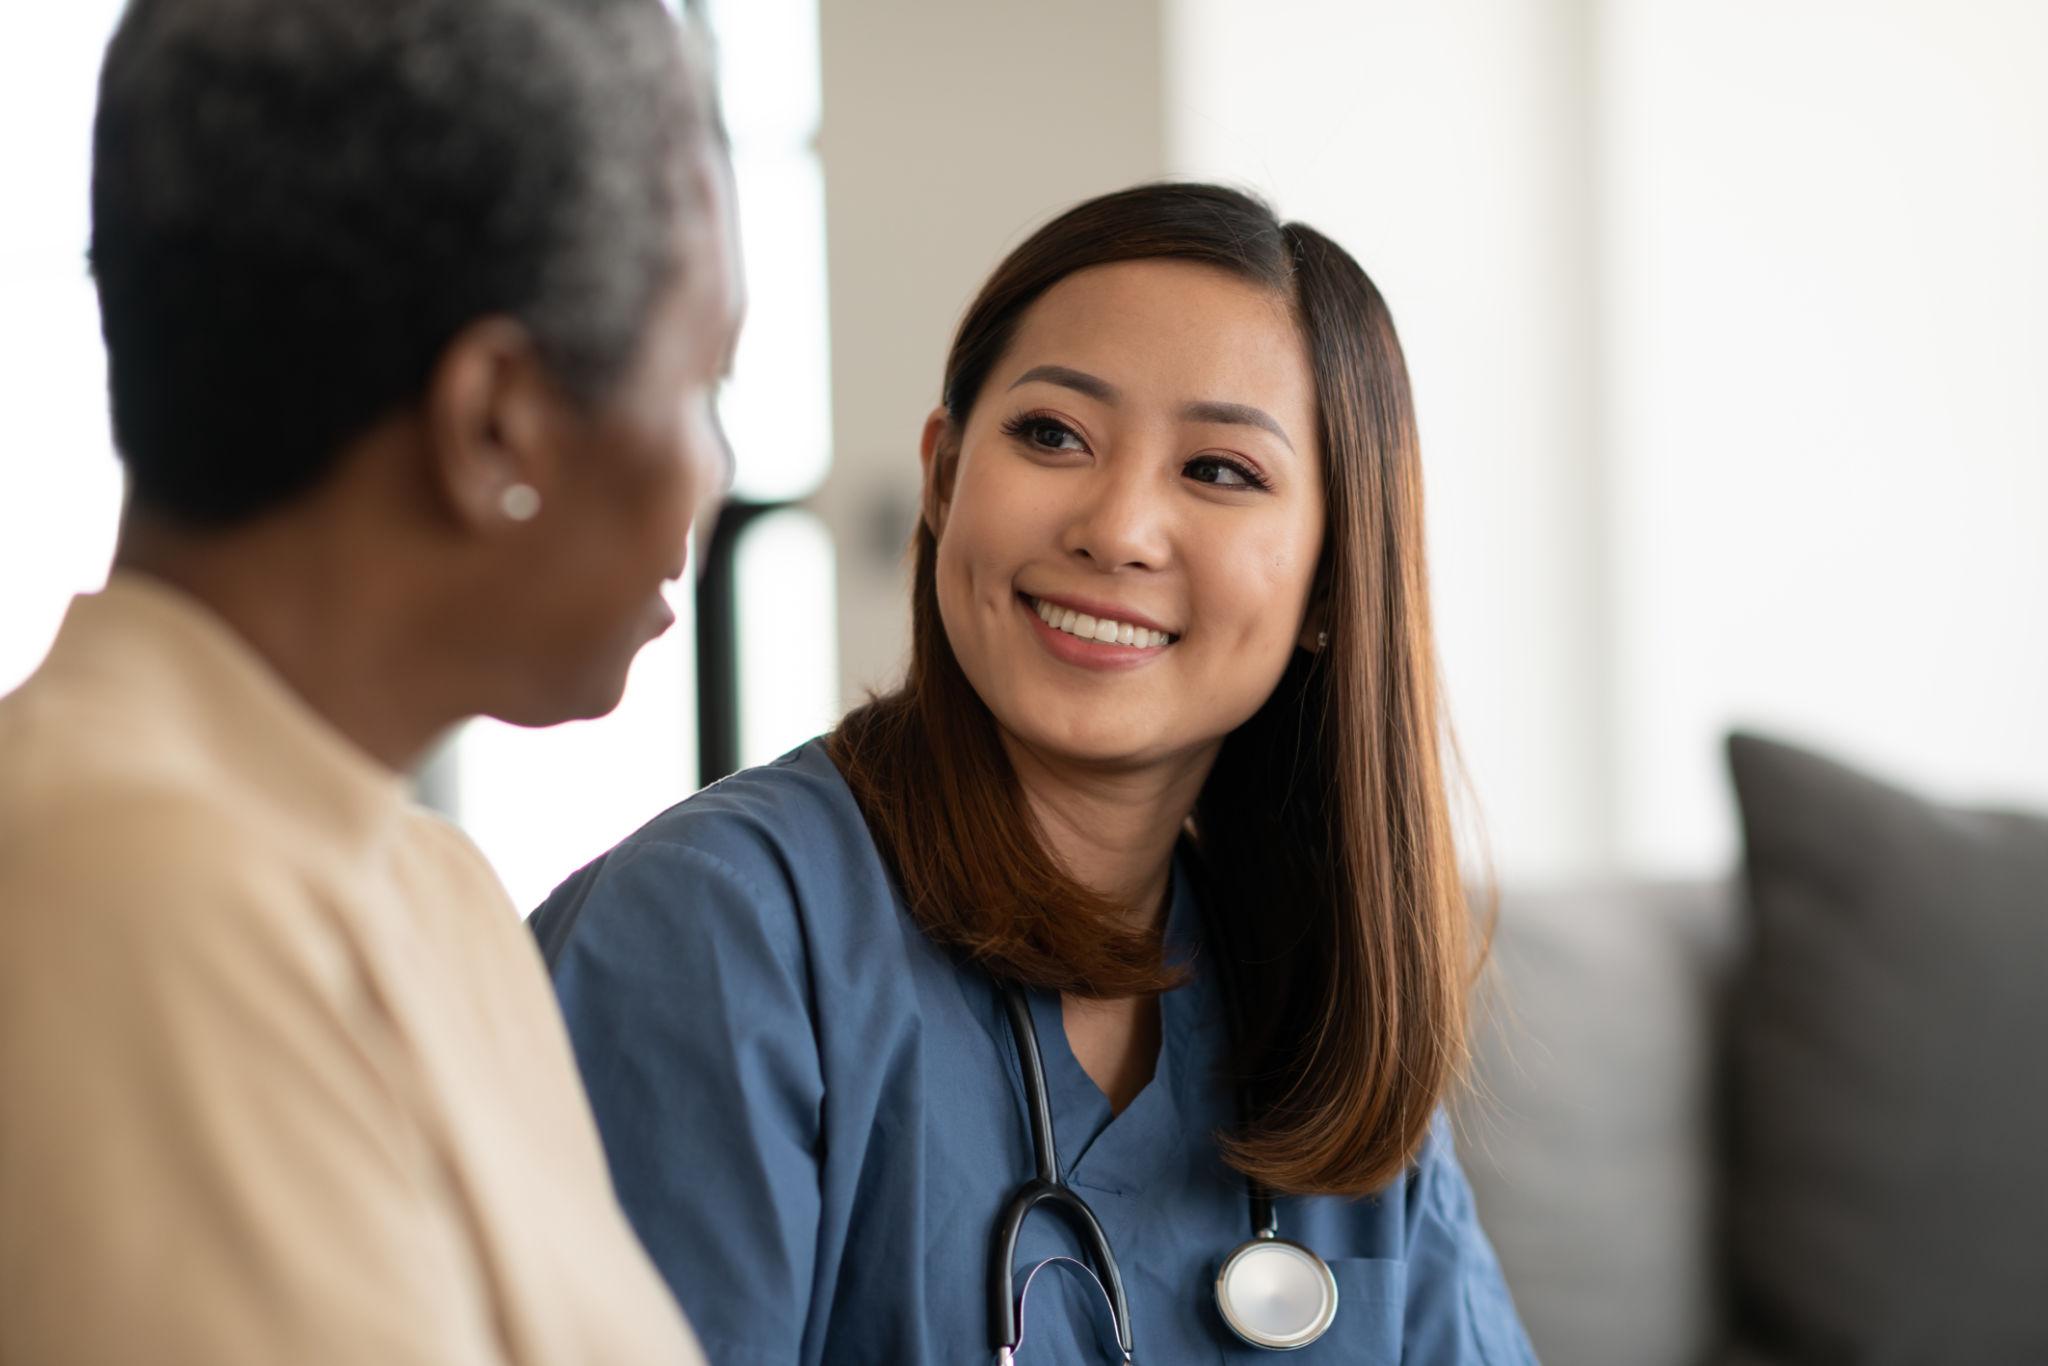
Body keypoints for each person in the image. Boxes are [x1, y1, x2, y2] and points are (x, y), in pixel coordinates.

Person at [532, 182, 1536, 1363]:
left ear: (1328, 585)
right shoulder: (718, 928)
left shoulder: (1317, 1008)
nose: (1115, 528)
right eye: (1052, 436)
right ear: (944, 477)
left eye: (1218, 470)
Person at [0, 1, 741, 1362]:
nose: (716, 469)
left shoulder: (434, 891)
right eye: (701, 380)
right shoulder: (125, 890)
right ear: (496, 420)